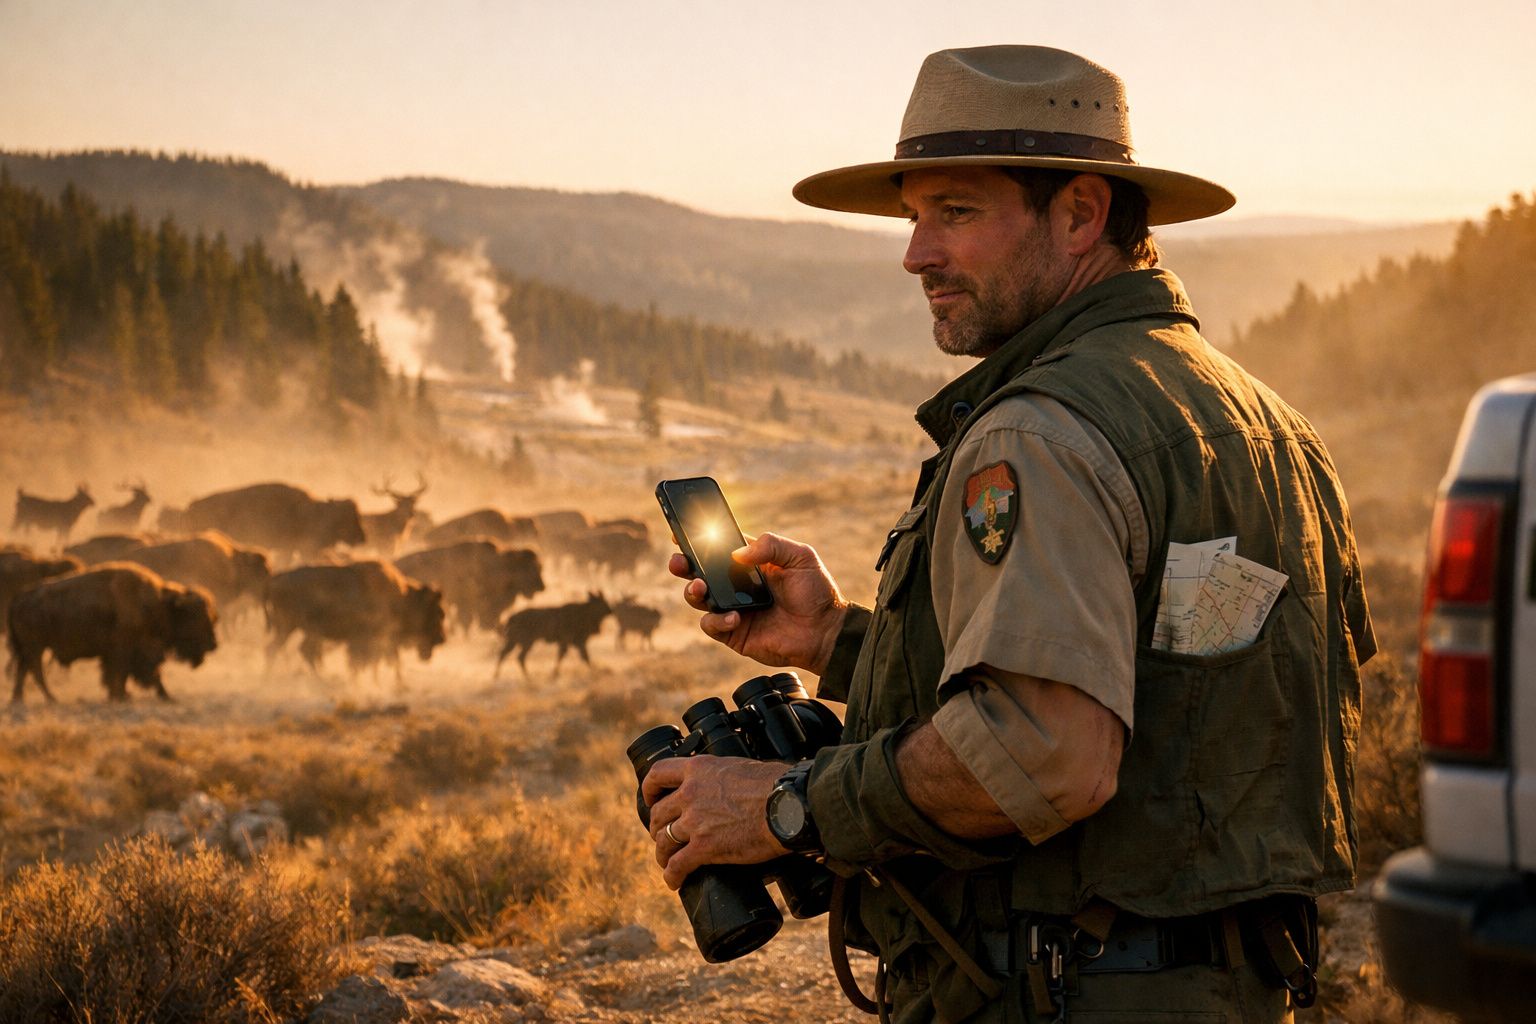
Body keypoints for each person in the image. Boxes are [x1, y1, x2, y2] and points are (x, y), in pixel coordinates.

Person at [641, 45, 1374, 1023]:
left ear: (1080, 215)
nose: (915, 254)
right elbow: (1170, 688)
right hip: (1227, 987)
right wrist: (838, 642)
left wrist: (786, 804)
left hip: (1063, 989)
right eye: (913, 217)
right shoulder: (1265, 421)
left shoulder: (1037, 431)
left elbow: (1045, 755)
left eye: (956, 212)